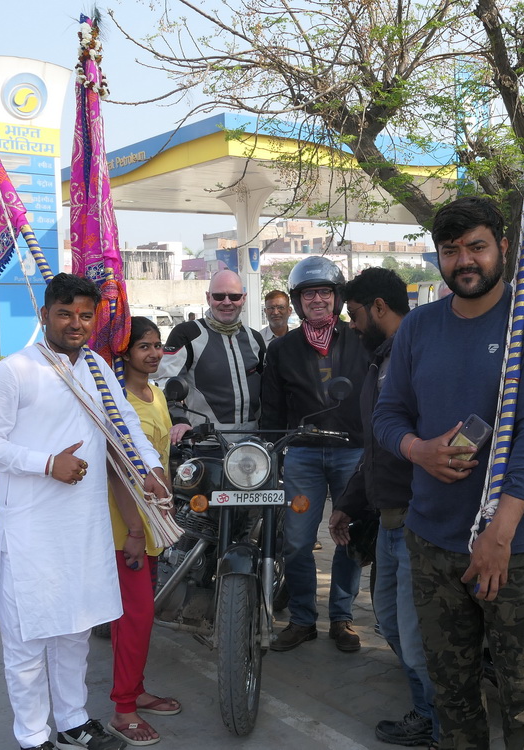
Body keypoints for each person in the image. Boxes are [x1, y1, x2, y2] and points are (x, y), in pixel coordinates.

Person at [374, 196, 524, 749]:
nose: (465, 261)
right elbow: (388, 416)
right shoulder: (417, 328)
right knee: (450, 689)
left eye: (477, 247)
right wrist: (419, 450)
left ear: (504, 248)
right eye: (451, 249)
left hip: (514, 545)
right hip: (431, 538)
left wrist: (499, 534)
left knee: (520, 691)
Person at [0, 273, 169, 750]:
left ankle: (74, 721)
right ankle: (33, 735)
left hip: (84, 527)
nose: (75, 324)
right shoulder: (13, 370)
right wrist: (46, 464)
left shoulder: (98, 369)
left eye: (84, 315)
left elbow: (124, 428)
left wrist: (152, 467)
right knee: (28, 639)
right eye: (65, 314)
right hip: (31, 528)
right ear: (45, 316)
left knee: (76, 629)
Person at [328, 267, 436, 747]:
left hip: (418, 522)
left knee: (415, 636)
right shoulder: (379, 363)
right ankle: (428, 710)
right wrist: (348, 504)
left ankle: (439, 723)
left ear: (377, 307)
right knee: (391, 623)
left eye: (353, 314)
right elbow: (375, 448)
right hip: (390, 523)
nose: (350, 325)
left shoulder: (418, 357)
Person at [261, 255, 371, 653]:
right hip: (303, 456)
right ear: (297, 301)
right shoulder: (281, 349)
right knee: (297, 541)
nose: (318, 300)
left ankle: (342, 618)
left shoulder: (360, 339)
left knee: (348, 538)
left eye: (325, 291)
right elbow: (271, 412)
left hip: (353, 454)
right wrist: (271, 455)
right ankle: (303, 619)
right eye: (310, 294)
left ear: (337, 297)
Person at [105, 316, 183, 746]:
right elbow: (117, 470)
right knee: (135, 615)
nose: (153, 353)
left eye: (157, 346)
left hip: (152, 520)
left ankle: (135, 691)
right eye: (144, 347)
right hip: (127, 524)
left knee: (138, 615)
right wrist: (134, 529)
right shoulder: (118, 403)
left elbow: (160, 455)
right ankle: (123, 710)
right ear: (125, 353)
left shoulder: (154, 394)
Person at [156, 270, 265, 442]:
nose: (227, 302)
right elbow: (165, 384)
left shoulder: (255, 339)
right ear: (208, 298)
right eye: (219, 296)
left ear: (244, 298)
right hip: (207, 442)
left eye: (234, 296)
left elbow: (268, 390)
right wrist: (179, 421)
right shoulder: (187, 334)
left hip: (253, 443)